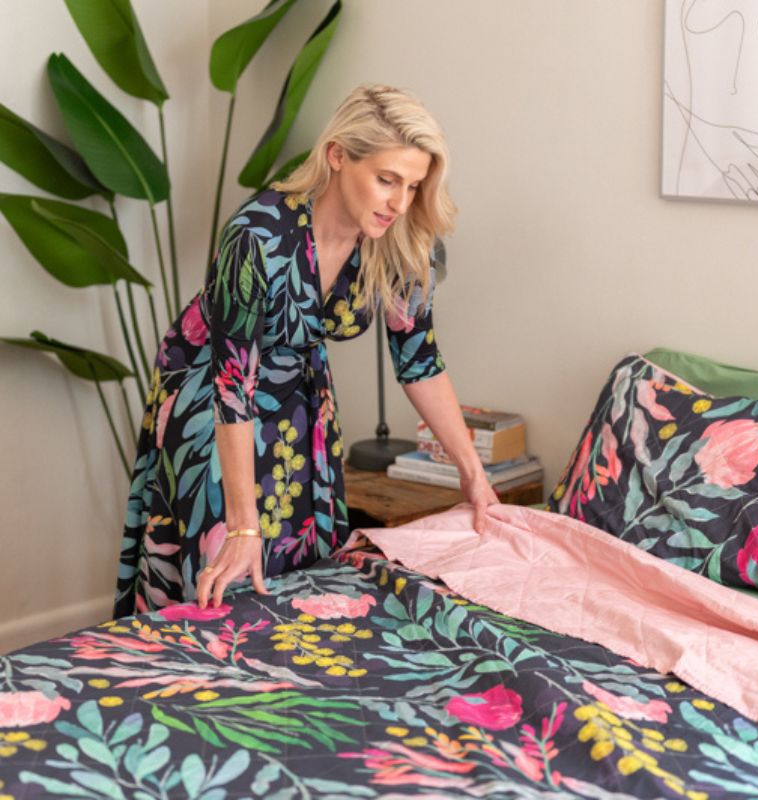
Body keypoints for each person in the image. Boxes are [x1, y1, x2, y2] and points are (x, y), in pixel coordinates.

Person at [113, 84, 498, 618]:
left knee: (298, 564)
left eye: (413, 185)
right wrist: (244, 524)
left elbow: (419, 362)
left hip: (299, 393)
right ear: (337, 155)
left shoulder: (406, 240)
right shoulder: (258, 236)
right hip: (210, 395)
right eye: (386, 179)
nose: (399, 202)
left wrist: (474, 476)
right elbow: (233, 384)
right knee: (224, 556)